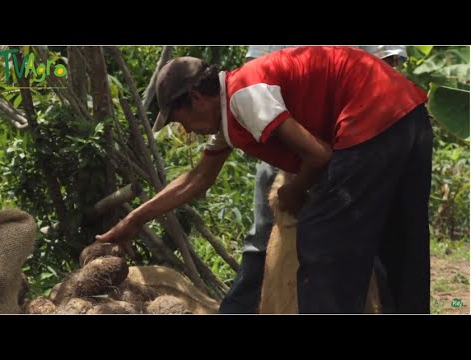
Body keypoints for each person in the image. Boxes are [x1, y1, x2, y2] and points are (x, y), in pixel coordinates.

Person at [96, 46, 432, 313]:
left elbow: (318, 155)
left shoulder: (246, 95)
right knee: (400, 242)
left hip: (372, 116)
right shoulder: (234, 107)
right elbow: (197, 178)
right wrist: (132, 221)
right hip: (409, 115)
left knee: (322, 240)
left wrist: (292, 191)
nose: (184, 130)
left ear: (196, 99)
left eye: (179, 119)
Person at [219, 45, 409, 314]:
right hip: (287, 140)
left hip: (349, 142)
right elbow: (256, 74)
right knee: (261, 241)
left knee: (362, 236)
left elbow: (384, 69)